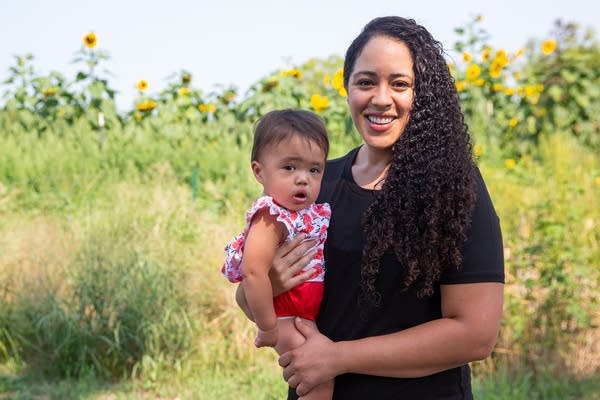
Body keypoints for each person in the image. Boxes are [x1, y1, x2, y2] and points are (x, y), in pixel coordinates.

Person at [236, 16, 505, 399]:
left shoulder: (454, 188)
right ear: (347, 89)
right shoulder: (313, 184)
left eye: (400, 84)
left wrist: (338, 358)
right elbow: (251, 294)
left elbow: (475, 335)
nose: (381, 98)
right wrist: (269, 284)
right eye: (365, 82)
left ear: (422, 94)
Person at [222, 109, 334, 399]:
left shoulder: (302, 213)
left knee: (318, 378)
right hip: (285, 317)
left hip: (302, 314)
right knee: (318, 381)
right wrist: (268, 327)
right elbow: (254, 272)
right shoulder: (269, 216)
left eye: (314, 170)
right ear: (259, 171)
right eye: (289, 168)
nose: (303, 179)